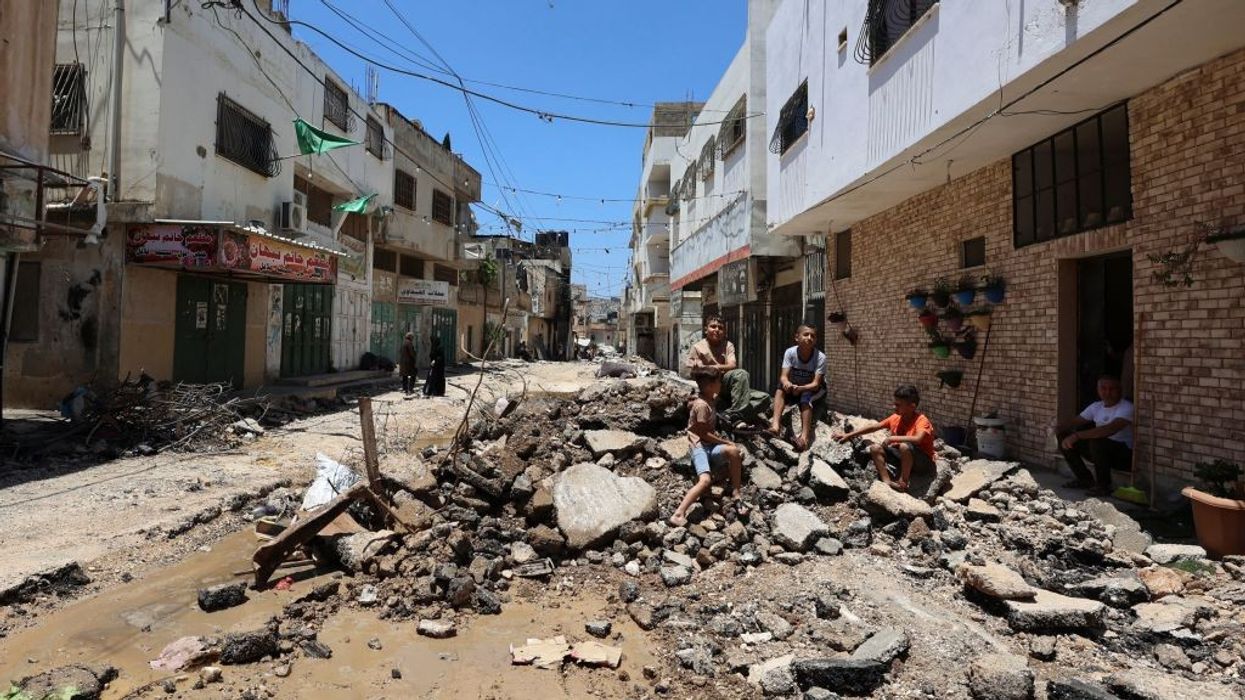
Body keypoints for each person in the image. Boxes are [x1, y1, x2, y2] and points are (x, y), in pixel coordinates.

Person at [670, 371, 745, 527]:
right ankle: (678, 513)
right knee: (705, 481)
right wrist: (725, 441)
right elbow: (703, 434)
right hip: (699, 447)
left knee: (735, 453)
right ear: (711, 386)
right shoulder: (702, 405)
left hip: (710, 446)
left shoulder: (709, 399)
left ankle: (736, 493)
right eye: (718, 382)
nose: (721, 385)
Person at [833, 384, 936, 492]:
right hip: (903, 457)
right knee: (875, 448)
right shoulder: (895, 418)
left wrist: (892, 438)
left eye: (898, 405)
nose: (894, 407)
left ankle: (903, 482)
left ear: (912, 406)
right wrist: (848, 435)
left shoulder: (921, 420)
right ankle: (887, 482)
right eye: (894, 404)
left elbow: (918, 439)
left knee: (904, 446)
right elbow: (874, 427)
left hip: (923, 463)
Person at [1055, 375, 1133, 496]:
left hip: (1124, 455)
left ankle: (1104, 486)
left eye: (1112, 389)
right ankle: (1085, 479)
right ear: (1098, 390)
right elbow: (1075, 422)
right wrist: (1056, 427)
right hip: (1100, 453)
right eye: (1104, 388)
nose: (1108, 392)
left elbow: (1110, 429)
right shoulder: (1096, 406)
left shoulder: (1126, 407)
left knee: (1097, 441)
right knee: (1063, 437)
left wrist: (1077, 435)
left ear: (1120, 390)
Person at [686, 316, 754, 427]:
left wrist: (714, 367)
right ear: (705, 329)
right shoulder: (698, 347)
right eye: (713, 326)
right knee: (741, 374)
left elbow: (732, 365)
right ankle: (735, 416)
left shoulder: (728, 345)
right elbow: (694, 368)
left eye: (720, 328)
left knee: (764, 398)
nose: (717, 330)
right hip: (710, 387)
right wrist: (704, 368)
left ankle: (728, 413)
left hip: (725, 384)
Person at [769, 324, 827, 451]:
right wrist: (787, 383)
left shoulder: (820, 357)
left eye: (813, 336)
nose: (809, 338)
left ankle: (804, 438)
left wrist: (800, 389)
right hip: (796, 385)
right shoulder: (790, 352)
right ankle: (775, 426)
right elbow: (783, 376)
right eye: (806, 334)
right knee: (780, 388)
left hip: (813, 389)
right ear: (797, 337)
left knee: (806, 399)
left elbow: (816, 384)